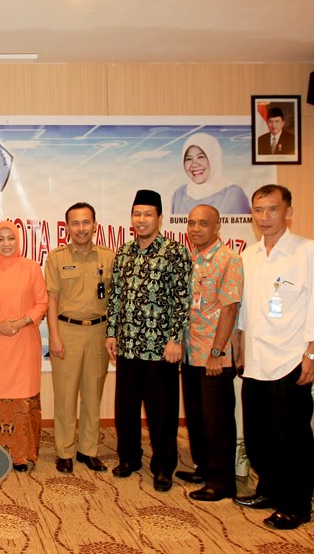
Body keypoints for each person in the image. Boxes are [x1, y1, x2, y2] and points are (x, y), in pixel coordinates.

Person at [235, 184, 314, 530]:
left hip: (291, 359)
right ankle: (269, 491)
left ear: (288, 212)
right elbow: (245, 310)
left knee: (292, 438)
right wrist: (240, 347)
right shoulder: (249, 255)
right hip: (256, 361)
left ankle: (295, 505)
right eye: (259, 210)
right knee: (258, 436)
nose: (265, 217)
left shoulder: (307, 251)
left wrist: (313, 352)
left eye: (272, 209)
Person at [106, 189, 191, 492]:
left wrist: (176, 339)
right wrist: (111, 332)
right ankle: (128, 458)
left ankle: (164, 467)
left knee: (161, 413)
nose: (141, 220)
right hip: (128, 345)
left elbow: (182, 299)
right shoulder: (124, 252)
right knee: (126, 409)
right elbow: (116, 296)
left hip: (160, 349)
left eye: (147, 214)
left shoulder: (175, 252)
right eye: (136, 214)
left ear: (160, 218)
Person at [0, 220, 48, 472]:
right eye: (1, 239)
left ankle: (21, 455)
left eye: (11, 238)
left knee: (23, 395)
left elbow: (42, 303)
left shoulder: (32, 268)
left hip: (24, 344)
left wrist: (21, 322)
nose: (6, 244)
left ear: (18, 240)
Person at [178, 205, 243, 501]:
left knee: (217, 420)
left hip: (214, 355)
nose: (195, 229)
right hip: (191, 352)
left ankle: (222, 481)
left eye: (203, 223)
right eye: (191, 223)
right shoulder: (191, 258)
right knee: (196, 416)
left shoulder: (228, 259)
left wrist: (217, 352)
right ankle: (203, 468)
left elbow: (230, 308)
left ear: (217, 226)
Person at [44, 202, 115, 474]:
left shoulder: (108, 257)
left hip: (99, 332)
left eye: (86, 222)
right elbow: (51, 300)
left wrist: (112, 335)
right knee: (65, 396)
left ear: (95, 225)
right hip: (67, 331)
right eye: (75, 223)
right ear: (67, 227)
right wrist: (54, 337)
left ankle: (88, 450)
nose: (81, 228)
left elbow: (115, 301)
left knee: (92, 395)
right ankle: (64, 451)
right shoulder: (57, 258)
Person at [171, 133, 250, 214]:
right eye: (188, 159)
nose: (194, 164)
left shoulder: (233, 194)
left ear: (214, 158)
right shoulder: (179, 194)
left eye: (200, 157)